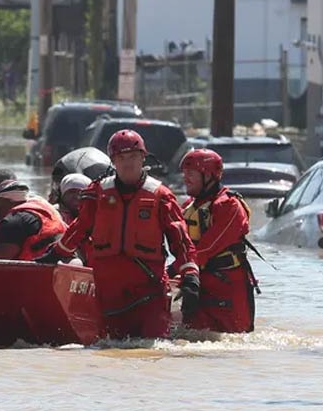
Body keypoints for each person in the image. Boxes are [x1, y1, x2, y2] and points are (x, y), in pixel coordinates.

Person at [37, 130, 200, 339]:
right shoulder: (97, 193)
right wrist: (54, 254)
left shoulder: (161, 196)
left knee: (152, 348)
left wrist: (191, 277)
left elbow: (181, 241)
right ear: (113, 161)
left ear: (143, 157)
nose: (128, 164)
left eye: (133, 157)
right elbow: (80, 229)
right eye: (121, 158)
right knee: (110, 351)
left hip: (148, 292)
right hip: (109, 295)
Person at [178, 149, 257, 333]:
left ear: (209, 176)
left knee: (234, 340)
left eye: (191, 173)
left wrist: (175, 271)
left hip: (228, 289)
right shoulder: (188, 207)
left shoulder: (229, 207)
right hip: (198, 286)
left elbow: (206, 250)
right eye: (184, 173)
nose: (185, 178)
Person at [0, 180, 66, 261]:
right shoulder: (43, 209)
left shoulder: (13, 220)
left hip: (39, 269)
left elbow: (5, 253)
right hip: (61, 259)